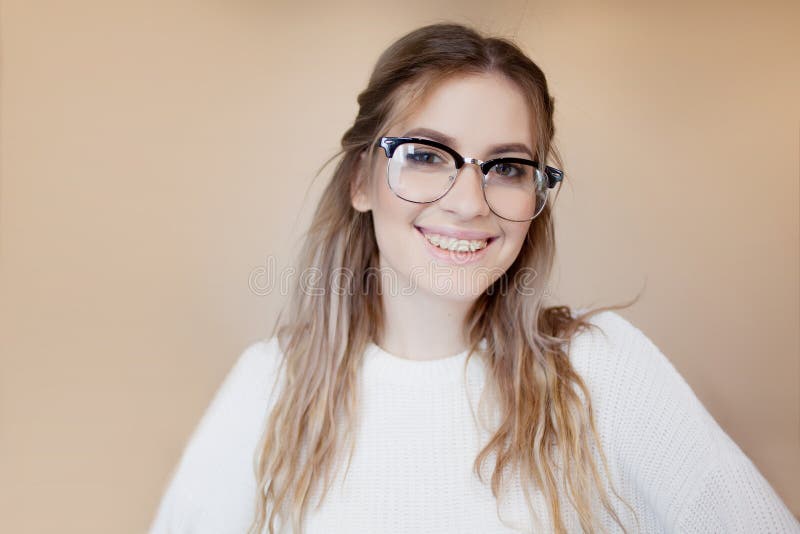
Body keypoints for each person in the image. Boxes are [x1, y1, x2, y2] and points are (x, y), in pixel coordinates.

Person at [149, 23, 799, 534]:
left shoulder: (602, 369)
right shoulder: (268, 384)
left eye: (507, 167)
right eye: (427, 155)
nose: (468, 202)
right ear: (360, 181)